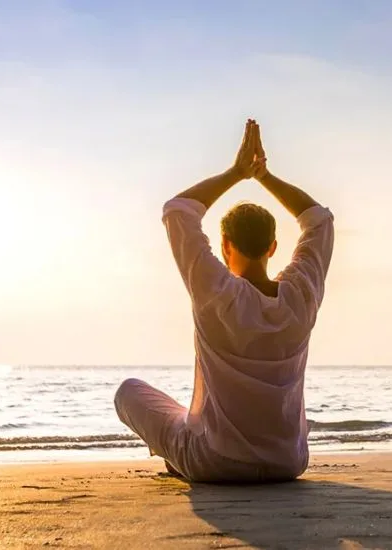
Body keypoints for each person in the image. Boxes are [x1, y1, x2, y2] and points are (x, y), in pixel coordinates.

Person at [114, 119, 334, 483]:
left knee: (128, 392)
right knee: (186, 418)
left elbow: (178, 209)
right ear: (272, 247)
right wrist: (264, 176)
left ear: (225, 245)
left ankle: (179, 456)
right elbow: (320, 222)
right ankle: (183, 449)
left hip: (216, 462)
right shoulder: (300, 296)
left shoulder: (215, 291)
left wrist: (237, 173)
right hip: (288, 462)